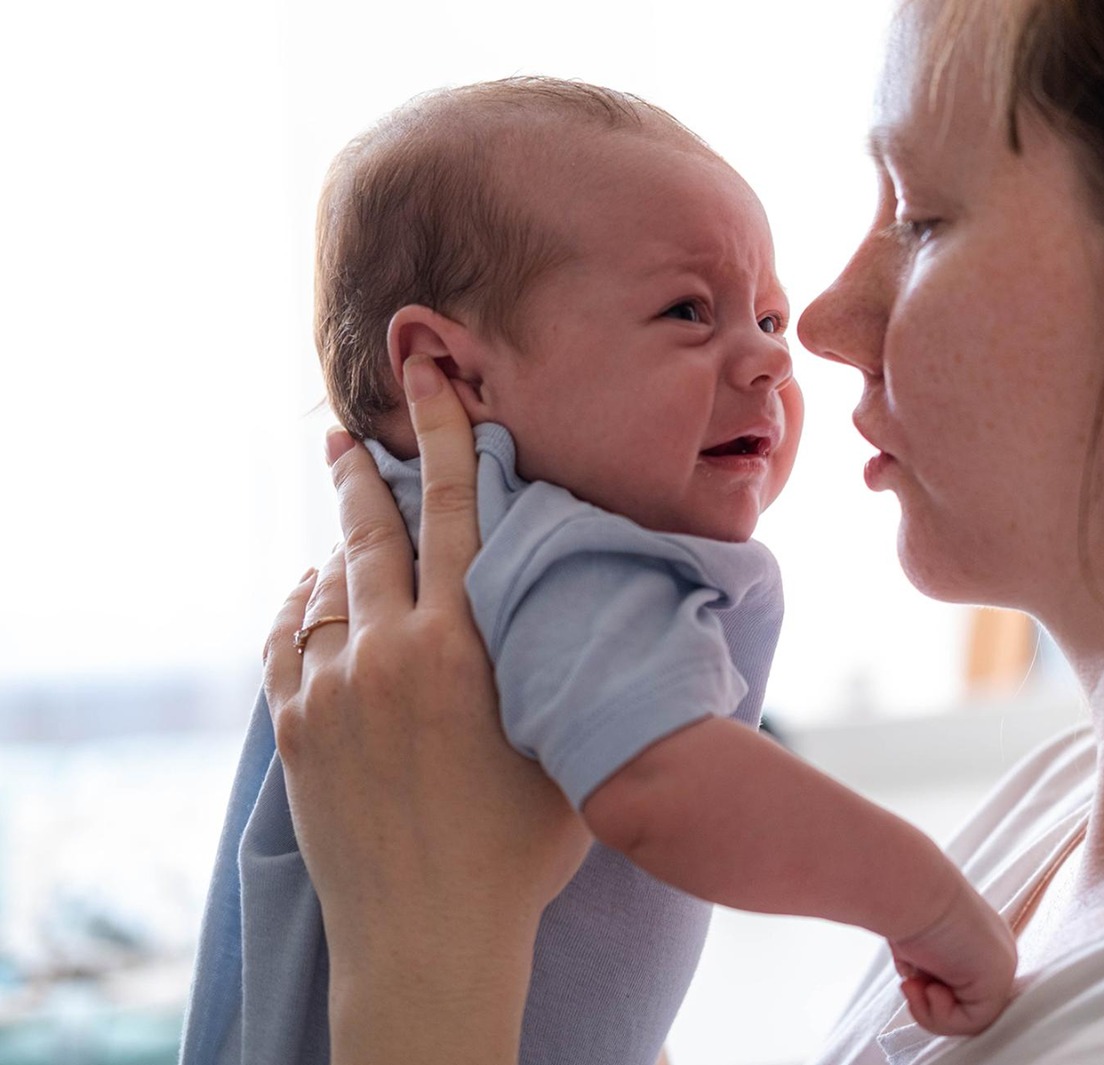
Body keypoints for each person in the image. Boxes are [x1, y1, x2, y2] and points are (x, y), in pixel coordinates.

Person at [256, 0, 1104, 1062]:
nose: (820, 332)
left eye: (922, 217)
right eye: (687, 313)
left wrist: (425, 975)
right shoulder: (1061, 823)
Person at [181, 78, 1017, 1065]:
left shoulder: (430, 565)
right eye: (686, 312)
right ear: (452, 375)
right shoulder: (555, 547)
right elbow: (667, 788)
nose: (767, 364)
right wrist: (928, 900)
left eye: (769, 319)